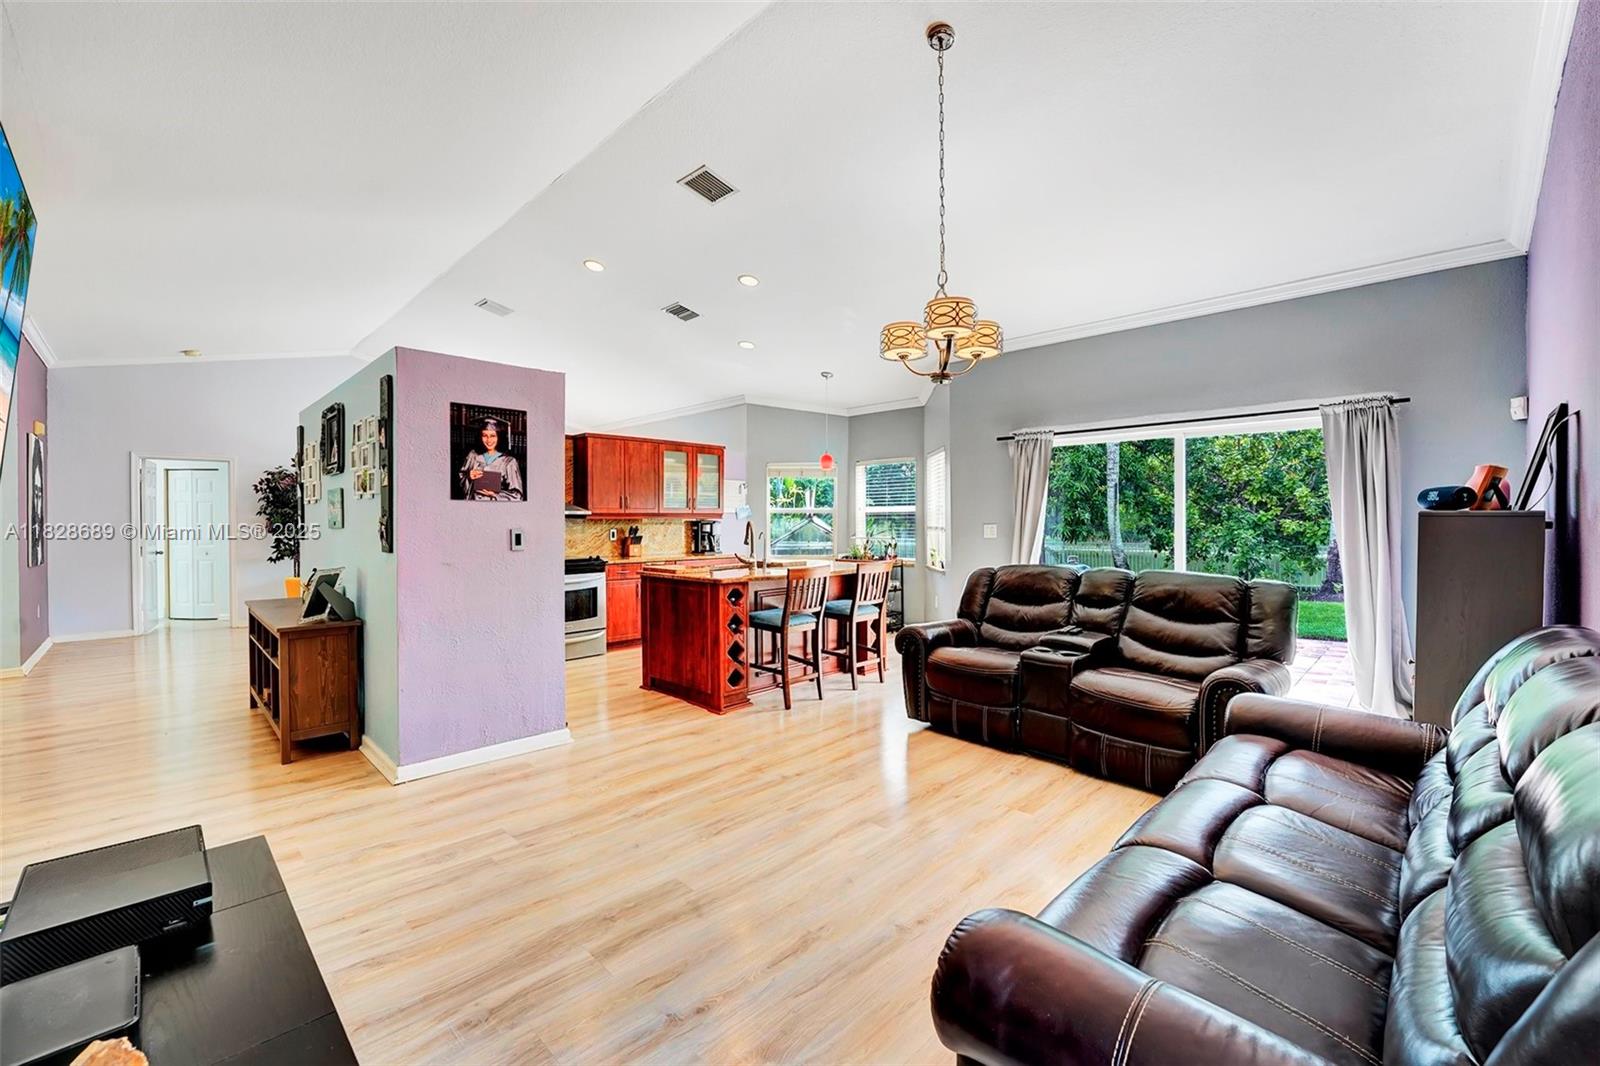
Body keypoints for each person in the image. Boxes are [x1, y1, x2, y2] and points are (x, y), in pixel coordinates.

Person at [458, 416, 524, 500]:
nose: (488, 440)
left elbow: (517, 496)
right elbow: (460, 480)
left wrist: (495, 495)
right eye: (484, 435)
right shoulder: (473, 456)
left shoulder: (509, 462)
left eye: (493, 436)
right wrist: (468, 476)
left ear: (499, 437)